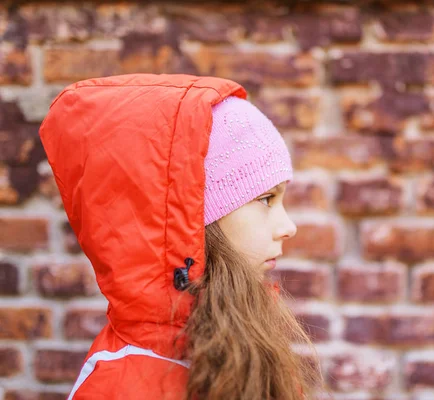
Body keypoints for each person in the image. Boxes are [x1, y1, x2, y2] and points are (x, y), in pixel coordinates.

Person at [39, 74, 323, 399]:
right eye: (265, 199)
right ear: (192, 219)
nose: (288, 226)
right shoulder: (121, 382)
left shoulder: (243, 337)